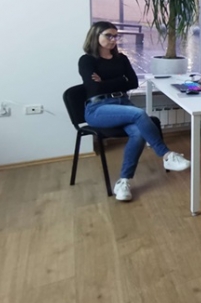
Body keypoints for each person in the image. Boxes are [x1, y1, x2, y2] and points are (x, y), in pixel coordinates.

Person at [78, 21, 191, 202]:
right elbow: (94, 87)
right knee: (139, 113)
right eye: (108, 35)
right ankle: (166, 155)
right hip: (98, 108)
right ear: (95, 36)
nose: (113, 39)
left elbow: (133, 82)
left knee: (138, 133)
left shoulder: (121, 59)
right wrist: (119, 81)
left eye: (116, 36)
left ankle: (123, 181)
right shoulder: (87, 60)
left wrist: (105, 82)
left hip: (122, 102)